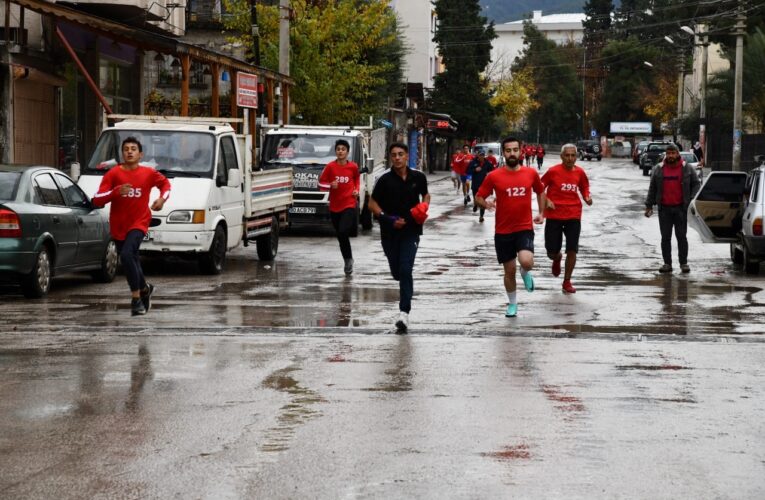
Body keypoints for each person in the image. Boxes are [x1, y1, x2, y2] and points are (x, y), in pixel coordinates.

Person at [92, 137, 171, 316]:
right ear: (122, 153)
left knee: (127, 255)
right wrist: (115, 192)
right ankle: (145, 288)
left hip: (140, 222)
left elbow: (166, 185)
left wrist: (162, 199)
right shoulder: (113, 174)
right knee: (131, 259)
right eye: (126, 149)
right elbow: (97, 199)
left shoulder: (148, 173)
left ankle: (136, 299)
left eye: (133, 149)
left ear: (140, 154)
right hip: (119, 224)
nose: (129, 151)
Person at [476, 137, 546, 317]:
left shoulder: (530, 174)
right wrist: (486, 204)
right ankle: (512, 304)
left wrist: (541, 213)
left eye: (515, 150)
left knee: (526, 261)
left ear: (521, 151)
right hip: (503, 231)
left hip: (524, 227)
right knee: (509, 271)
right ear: (504, 152)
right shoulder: (493, 176)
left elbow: (540, 191)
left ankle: (525, 272)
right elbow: (479, 196)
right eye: (508, 150)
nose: (512, 153)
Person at [368, 142, 431, 333]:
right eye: (394, 155)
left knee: (405, 269)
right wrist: (387, 218)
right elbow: (371, 204)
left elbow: (426, 195)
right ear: (390, 157)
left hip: (411, 231)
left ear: (407, 157)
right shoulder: (384, 179)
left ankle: (404, 313)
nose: (397, 158)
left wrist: (424, 207)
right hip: (389, 232)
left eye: (400, 154)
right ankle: (402, 288)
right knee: (397, 272)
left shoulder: (418, 177)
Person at [541, 144, 592, 293]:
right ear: (561, 156)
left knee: (572, 249)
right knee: (551, 251)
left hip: (573, 214)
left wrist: (587, 197)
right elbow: (539, 186)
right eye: (567, 155)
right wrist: (546, 200)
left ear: (576, 156)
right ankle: (556, 258)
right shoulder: (553, 171)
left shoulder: (580, 173)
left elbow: (584, 187)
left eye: (573, 155)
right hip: (554, 215)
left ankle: (567, 281)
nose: (570, 158)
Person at [644, 144, 701, 273]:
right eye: (668, 153)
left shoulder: (687, 168)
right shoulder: (659, 169)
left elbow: (696, 185)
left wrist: (692, 200)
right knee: (665, 237)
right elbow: (652, 188)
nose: (670, 156)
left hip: (681, 209)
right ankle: (667, 264)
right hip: (664, 210)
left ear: (677, 154)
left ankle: (683, 263)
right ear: (666, 154)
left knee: (681, 236)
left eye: (673, 153)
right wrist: (649, 205)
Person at [318, 139, 360, 275]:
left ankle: (348, 261)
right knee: (341, 236)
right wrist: (331, 185)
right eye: (338, 149)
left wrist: (356, 190)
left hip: (349, 204)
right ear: (335, 151)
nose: (340, 151)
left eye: (343, 149)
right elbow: (321, 184)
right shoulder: (330, 167)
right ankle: (348, 259)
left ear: (347, 152)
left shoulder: (353, 167)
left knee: (343, 232)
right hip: (335, 206)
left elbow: (357, 180)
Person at [467, 150, 495, 222]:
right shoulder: (473, 162)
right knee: (476, 199)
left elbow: (493, 171)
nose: (481, 156)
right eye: (480, 155)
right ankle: (475, 204)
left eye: (483, 155)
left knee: (482, 201)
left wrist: (489, 174)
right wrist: (475, 170)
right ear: (477, 155)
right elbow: (468, 171)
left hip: (484, 186)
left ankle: (481, 216)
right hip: (475, 184)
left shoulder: (487, 163)